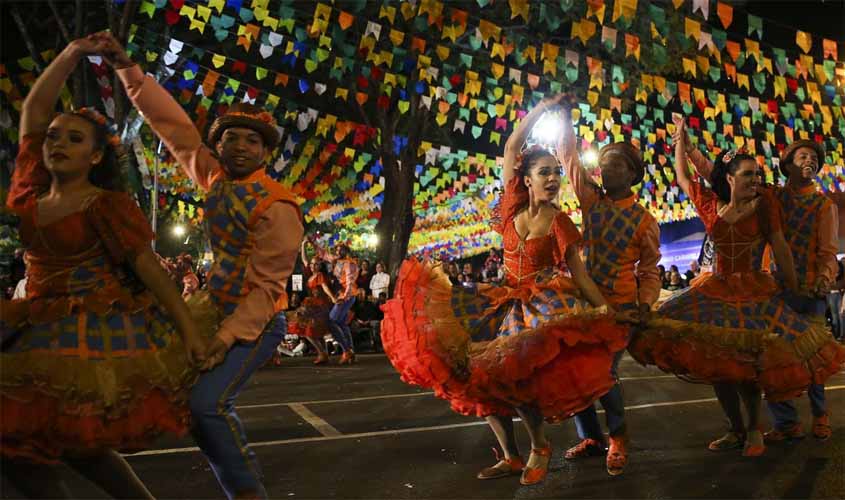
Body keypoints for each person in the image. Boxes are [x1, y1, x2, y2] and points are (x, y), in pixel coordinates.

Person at [381, 93, 634, 486]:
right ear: (526, 178)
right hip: (500, 300)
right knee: (474, 375)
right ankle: (512, 455)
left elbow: (580, 276)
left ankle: (539, 446)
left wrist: (605, 310)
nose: (553, 179)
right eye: (544, 172)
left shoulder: (562, 223)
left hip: (542, 305)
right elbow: (513, 146)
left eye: (556, 172)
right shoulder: (510, 209)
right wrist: (543, 107)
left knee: (519, 380)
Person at [1, 34, 205, 499]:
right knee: (36, 443)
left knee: (57, 443)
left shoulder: (105, 204)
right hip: (36, 323)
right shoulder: (31, 195)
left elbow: (150, 268)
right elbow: (34, 113)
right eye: (54, 137)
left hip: (89, 334)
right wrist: (71, 53)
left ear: (95, 157)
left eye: (74, 139)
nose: (58, 143)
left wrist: (190, 335)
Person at [102, 32, 303, 499]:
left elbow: (266, 288)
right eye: (228, 138)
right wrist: (127, 70)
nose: (238, 146)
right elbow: (171, 126)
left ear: (265, 153)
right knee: (176, 400)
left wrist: (223, 339)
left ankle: (248, 494)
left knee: (207, 405)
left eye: (251, 141)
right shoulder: (213, 177)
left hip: (255, 321)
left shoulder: (278, 205)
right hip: (211, 307)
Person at [630, 116, 844, 458]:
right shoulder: (711, 204)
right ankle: (737, 428)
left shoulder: (767, 204)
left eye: (758, 174)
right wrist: (680, 140)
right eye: (748, 174)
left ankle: (764, 428)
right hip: (714, 291)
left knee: (760, 366)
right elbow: (686, 175)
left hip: (758, 292)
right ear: (729, 179)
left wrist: (795, 285)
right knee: (720, 366)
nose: (756, 179)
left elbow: (782, 246)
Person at [680, 131, 842, 443]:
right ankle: (786, 423)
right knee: (774, 360)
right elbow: (723, 177)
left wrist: (823, 278)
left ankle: (820, 415)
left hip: (809, 291)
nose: (810, 160)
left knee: (811, 357)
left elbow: (828, 252)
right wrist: (688, 149)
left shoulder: (824, 206)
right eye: (802, 156)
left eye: (814, 158)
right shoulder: (772, 196)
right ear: (788, 165)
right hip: (774, 290)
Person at [557, 103, 661, 476]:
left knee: (602, 373)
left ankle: (618, 437)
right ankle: (591, 437)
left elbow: (650, 271)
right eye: (605, 162)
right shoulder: (591, 201)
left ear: (632, 174)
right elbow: (568, 158)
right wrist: (565, 120)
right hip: (581, 301)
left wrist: (646, 304)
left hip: (619, 309)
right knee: (574, 370)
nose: (608, 167)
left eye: (618, 163)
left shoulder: (646, 221)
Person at [287, 241, 333, 365]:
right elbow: (304, 259)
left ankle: (323, 353)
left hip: (319, 305)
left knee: (309, 330)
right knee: (311, 331)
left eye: (316, 264)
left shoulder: (319, 275)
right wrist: (303, 245)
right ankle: (323, 354)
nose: (313, 266)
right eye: (312, 264)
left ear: (320, 266)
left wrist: (332, 298)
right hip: (313, 304)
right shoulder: (311, 274)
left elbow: (325, 288)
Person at [321, 243, 359, 364]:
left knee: (332, 321)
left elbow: (350, 282)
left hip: (347, 296)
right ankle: (351, 351)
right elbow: (324, 254)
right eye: (336, 249)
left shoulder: (349, 264)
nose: (337, 251)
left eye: (340, 250)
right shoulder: (337, 261)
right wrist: (311, 242)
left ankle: (346, 351)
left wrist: (344, 296)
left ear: (346, 251)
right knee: (342, 324)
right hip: (343, 295)